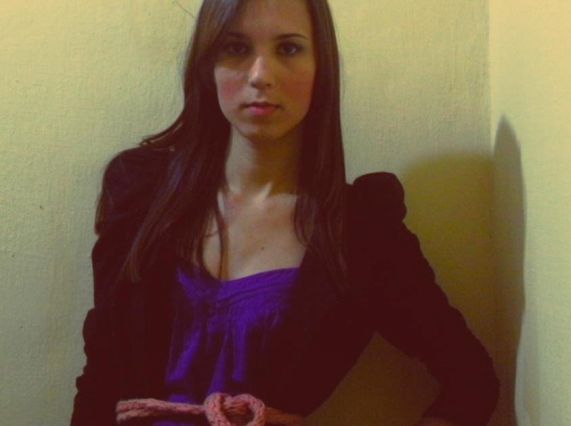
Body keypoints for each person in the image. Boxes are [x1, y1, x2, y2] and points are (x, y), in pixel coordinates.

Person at [71, 0, 499, 425]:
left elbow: (472, 381)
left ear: (321, 69)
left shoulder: (361, 232)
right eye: (236, 48)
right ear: (207, 66)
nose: (261, 75)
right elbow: (100, 378)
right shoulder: (141, 195)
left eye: (289, 49)